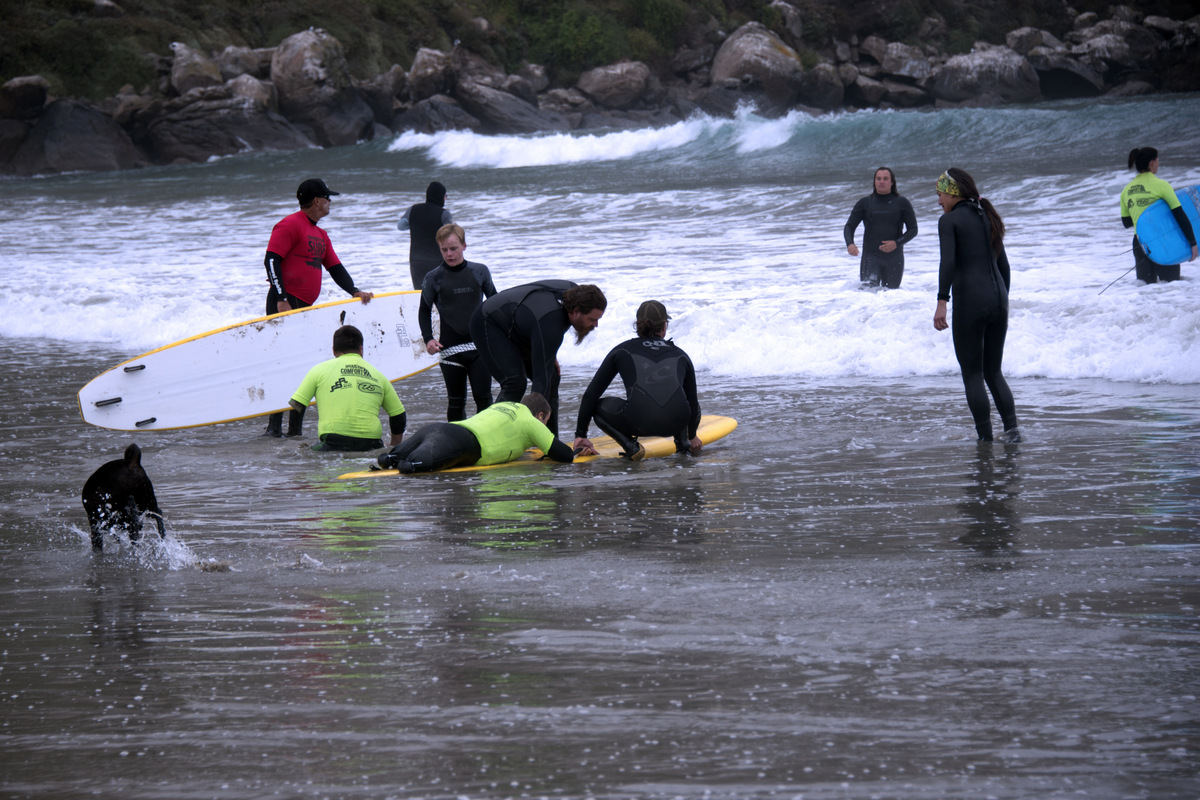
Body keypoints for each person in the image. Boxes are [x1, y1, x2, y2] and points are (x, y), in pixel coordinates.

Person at [263, 177, 374, 437]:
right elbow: (271, 260)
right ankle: (273, 427)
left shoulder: (320, 234)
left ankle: (294, 429)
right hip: (284, 303)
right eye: (327, 197)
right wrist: (281, 298)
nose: (330, 202)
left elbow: (335, 267)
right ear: (317, 200)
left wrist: (355, 291)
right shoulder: (289, 225)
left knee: (301, 366)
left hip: (305, 307)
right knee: (281, 364)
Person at [932, 168, 1020, 444]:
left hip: (970, 301)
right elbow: (1004, 267)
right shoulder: (987, 216)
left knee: (972, 374)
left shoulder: (949, 222)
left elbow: (947, 263)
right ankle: (1013, 432)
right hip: (998, 301)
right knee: (994, 372)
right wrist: (1002, 301)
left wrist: (941, 302)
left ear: (952, 192)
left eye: (940, 195)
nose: (938, 202)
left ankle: (985, 440)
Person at [469, 280, 606, 438]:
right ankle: (488, 436)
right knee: (515, 382)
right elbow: (539, 386)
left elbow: (543, 327)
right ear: (575, 311)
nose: (596, 325)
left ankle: (551, 437)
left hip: (520, 324)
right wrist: (535, 418)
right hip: (488, 322)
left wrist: (548, 352)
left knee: (552, 375)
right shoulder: (550, 324)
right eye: (592, 319)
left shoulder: (576, 294)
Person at [573, 300, 702, 461]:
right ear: (664, 327)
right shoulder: (681, 354)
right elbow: (694, 405)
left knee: (598, 406)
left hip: (639, 422)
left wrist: (580, 435)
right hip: (676, 422)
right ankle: (683, 445)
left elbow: (590, 395)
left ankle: (631, 446)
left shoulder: (622, 350)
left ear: (638, 325)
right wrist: (693, 435)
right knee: (681, 399)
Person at [376, 393, 574, 473]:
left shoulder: (503, 405)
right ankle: (405, 463)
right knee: (412, 467)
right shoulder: (530, 421)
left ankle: (391, 457)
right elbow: (564, 455)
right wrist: (577, 451)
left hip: (441, 428)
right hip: (466, 444)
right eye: (545, 422)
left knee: (392, 456)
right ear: (540, 415)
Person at [418, 224, 497, 421]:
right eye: (444, 250)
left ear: (464, 245)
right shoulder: (433, 278)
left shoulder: (480, 271)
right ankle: (456, 446)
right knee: (455, 402)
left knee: (484, 399)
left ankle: (487, 442)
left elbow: (495, 303)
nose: (449, 254)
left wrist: (499, 335)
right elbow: (424, 309)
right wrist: (428, 339)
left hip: (479, 347)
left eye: (453, 248)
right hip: (449, 348)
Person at [288, 325, 407, 452]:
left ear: (334, 351)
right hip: (372, 444)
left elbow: (297, 405)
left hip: (333, 443)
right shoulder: (379, 376)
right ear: (361, 349)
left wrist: (295, 437)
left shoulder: (318, 370)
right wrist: (394, 447)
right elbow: (398, 414)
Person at [1120, 146, 1198, 284]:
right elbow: (1179, 215)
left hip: (1140, 243)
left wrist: (1141, 211)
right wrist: (1193, 243)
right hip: (1165, 242)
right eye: (1157, 161)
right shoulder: (1162, 185)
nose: (1158, 164)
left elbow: (1126, 223)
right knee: (1170, 289)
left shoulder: (1126, 191)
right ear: (1152, 163)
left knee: (1145, 291)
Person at [844, 166, 918, 289]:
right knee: (868, 296)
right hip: (870, 257)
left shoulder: (902, 203)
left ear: (892, 182)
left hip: (894, 258)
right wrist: (850, 243)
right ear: (874, 182)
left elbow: (913, 229)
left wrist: (896, 243)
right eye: (878, 179)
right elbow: (849, 226)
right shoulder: (865, 203)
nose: (881, 181)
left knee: (891, 296)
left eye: (885, 178)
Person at [398, 181, 453, 290]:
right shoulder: (443, 214)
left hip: (416, 261)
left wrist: (416, 224)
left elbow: (400, 226)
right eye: (445, 196)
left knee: (420, 294)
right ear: (441, 196)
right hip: (437, 261)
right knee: (440, 294)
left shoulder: (413, 210)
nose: (446, 199)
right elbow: (451, 234)